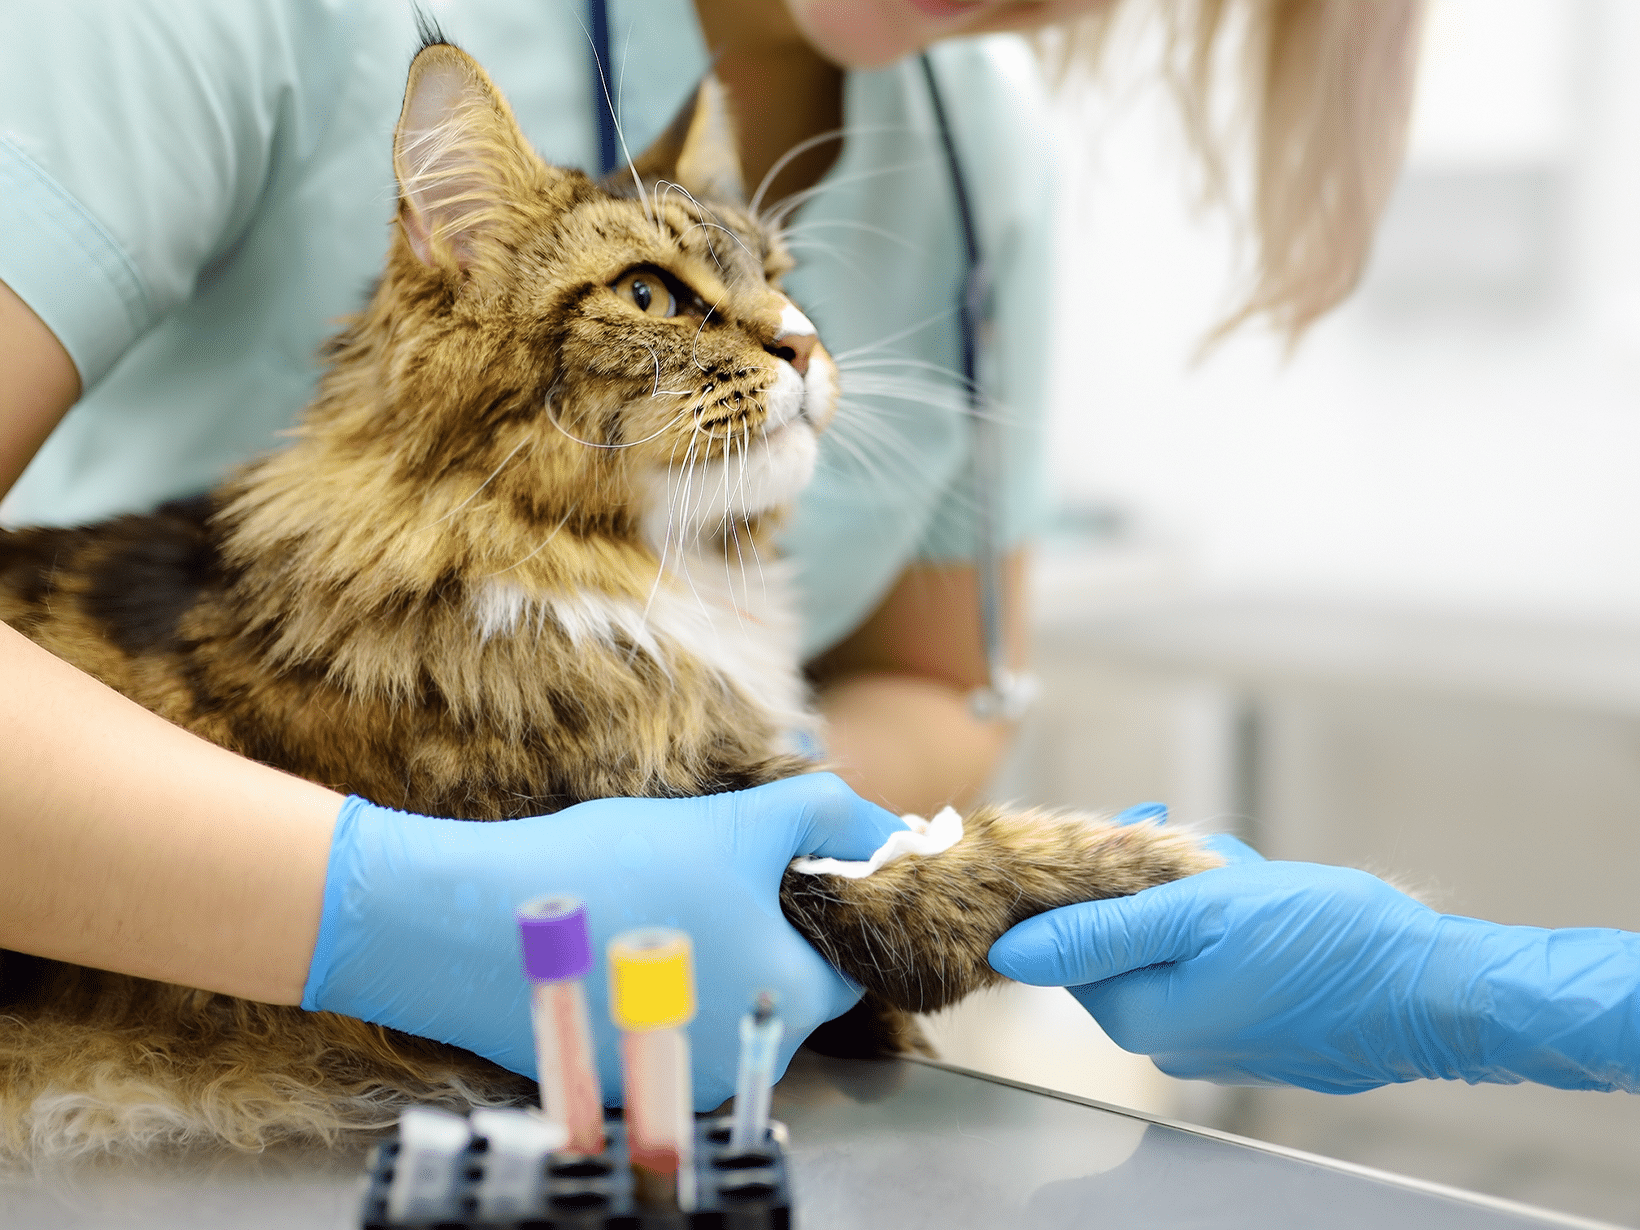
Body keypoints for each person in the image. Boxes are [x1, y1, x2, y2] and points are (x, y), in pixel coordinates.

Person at [0, 0, 1434, 1109]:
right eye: (658, 294)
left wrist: (781, 856)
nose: (786, 338)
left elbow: (942, 680)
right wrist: (393, 909)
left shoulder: (977, 151)